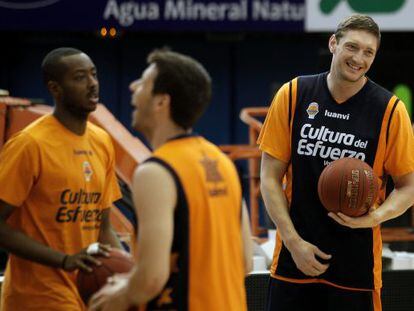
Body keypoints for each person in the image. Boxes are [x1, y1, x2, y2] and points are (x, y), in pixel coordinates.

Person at [258, 14, 414, 311]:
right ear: (333, 43)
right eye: (352, 47)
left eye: (368, 52)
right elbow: (268, 176)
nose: (359, 58)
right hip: (295, 259)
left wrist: (374, 218)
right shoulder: (293, 94)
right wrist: (292, 241)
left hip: (356, 265)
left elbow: (409, 187)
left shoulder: (390, 110)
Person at [88, 49, 253, 311]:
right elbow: (245, 262)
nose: (133, 87)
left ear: (161, 102)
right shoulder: (222, 162)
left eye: (143, 82)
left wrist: (118, 296)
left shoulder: (156, 171)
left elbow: (151, 278)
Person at [0, 47, 123, 311]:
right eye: (80, 77)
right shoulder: (30, 144)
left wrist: (127, 270)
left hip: (85, 294)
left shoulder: (102, 141)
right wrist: (63, 260)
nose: (92, 84)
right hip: (39, 297)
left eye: (94, 74)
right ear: (55, 88)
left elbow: (103, 227)